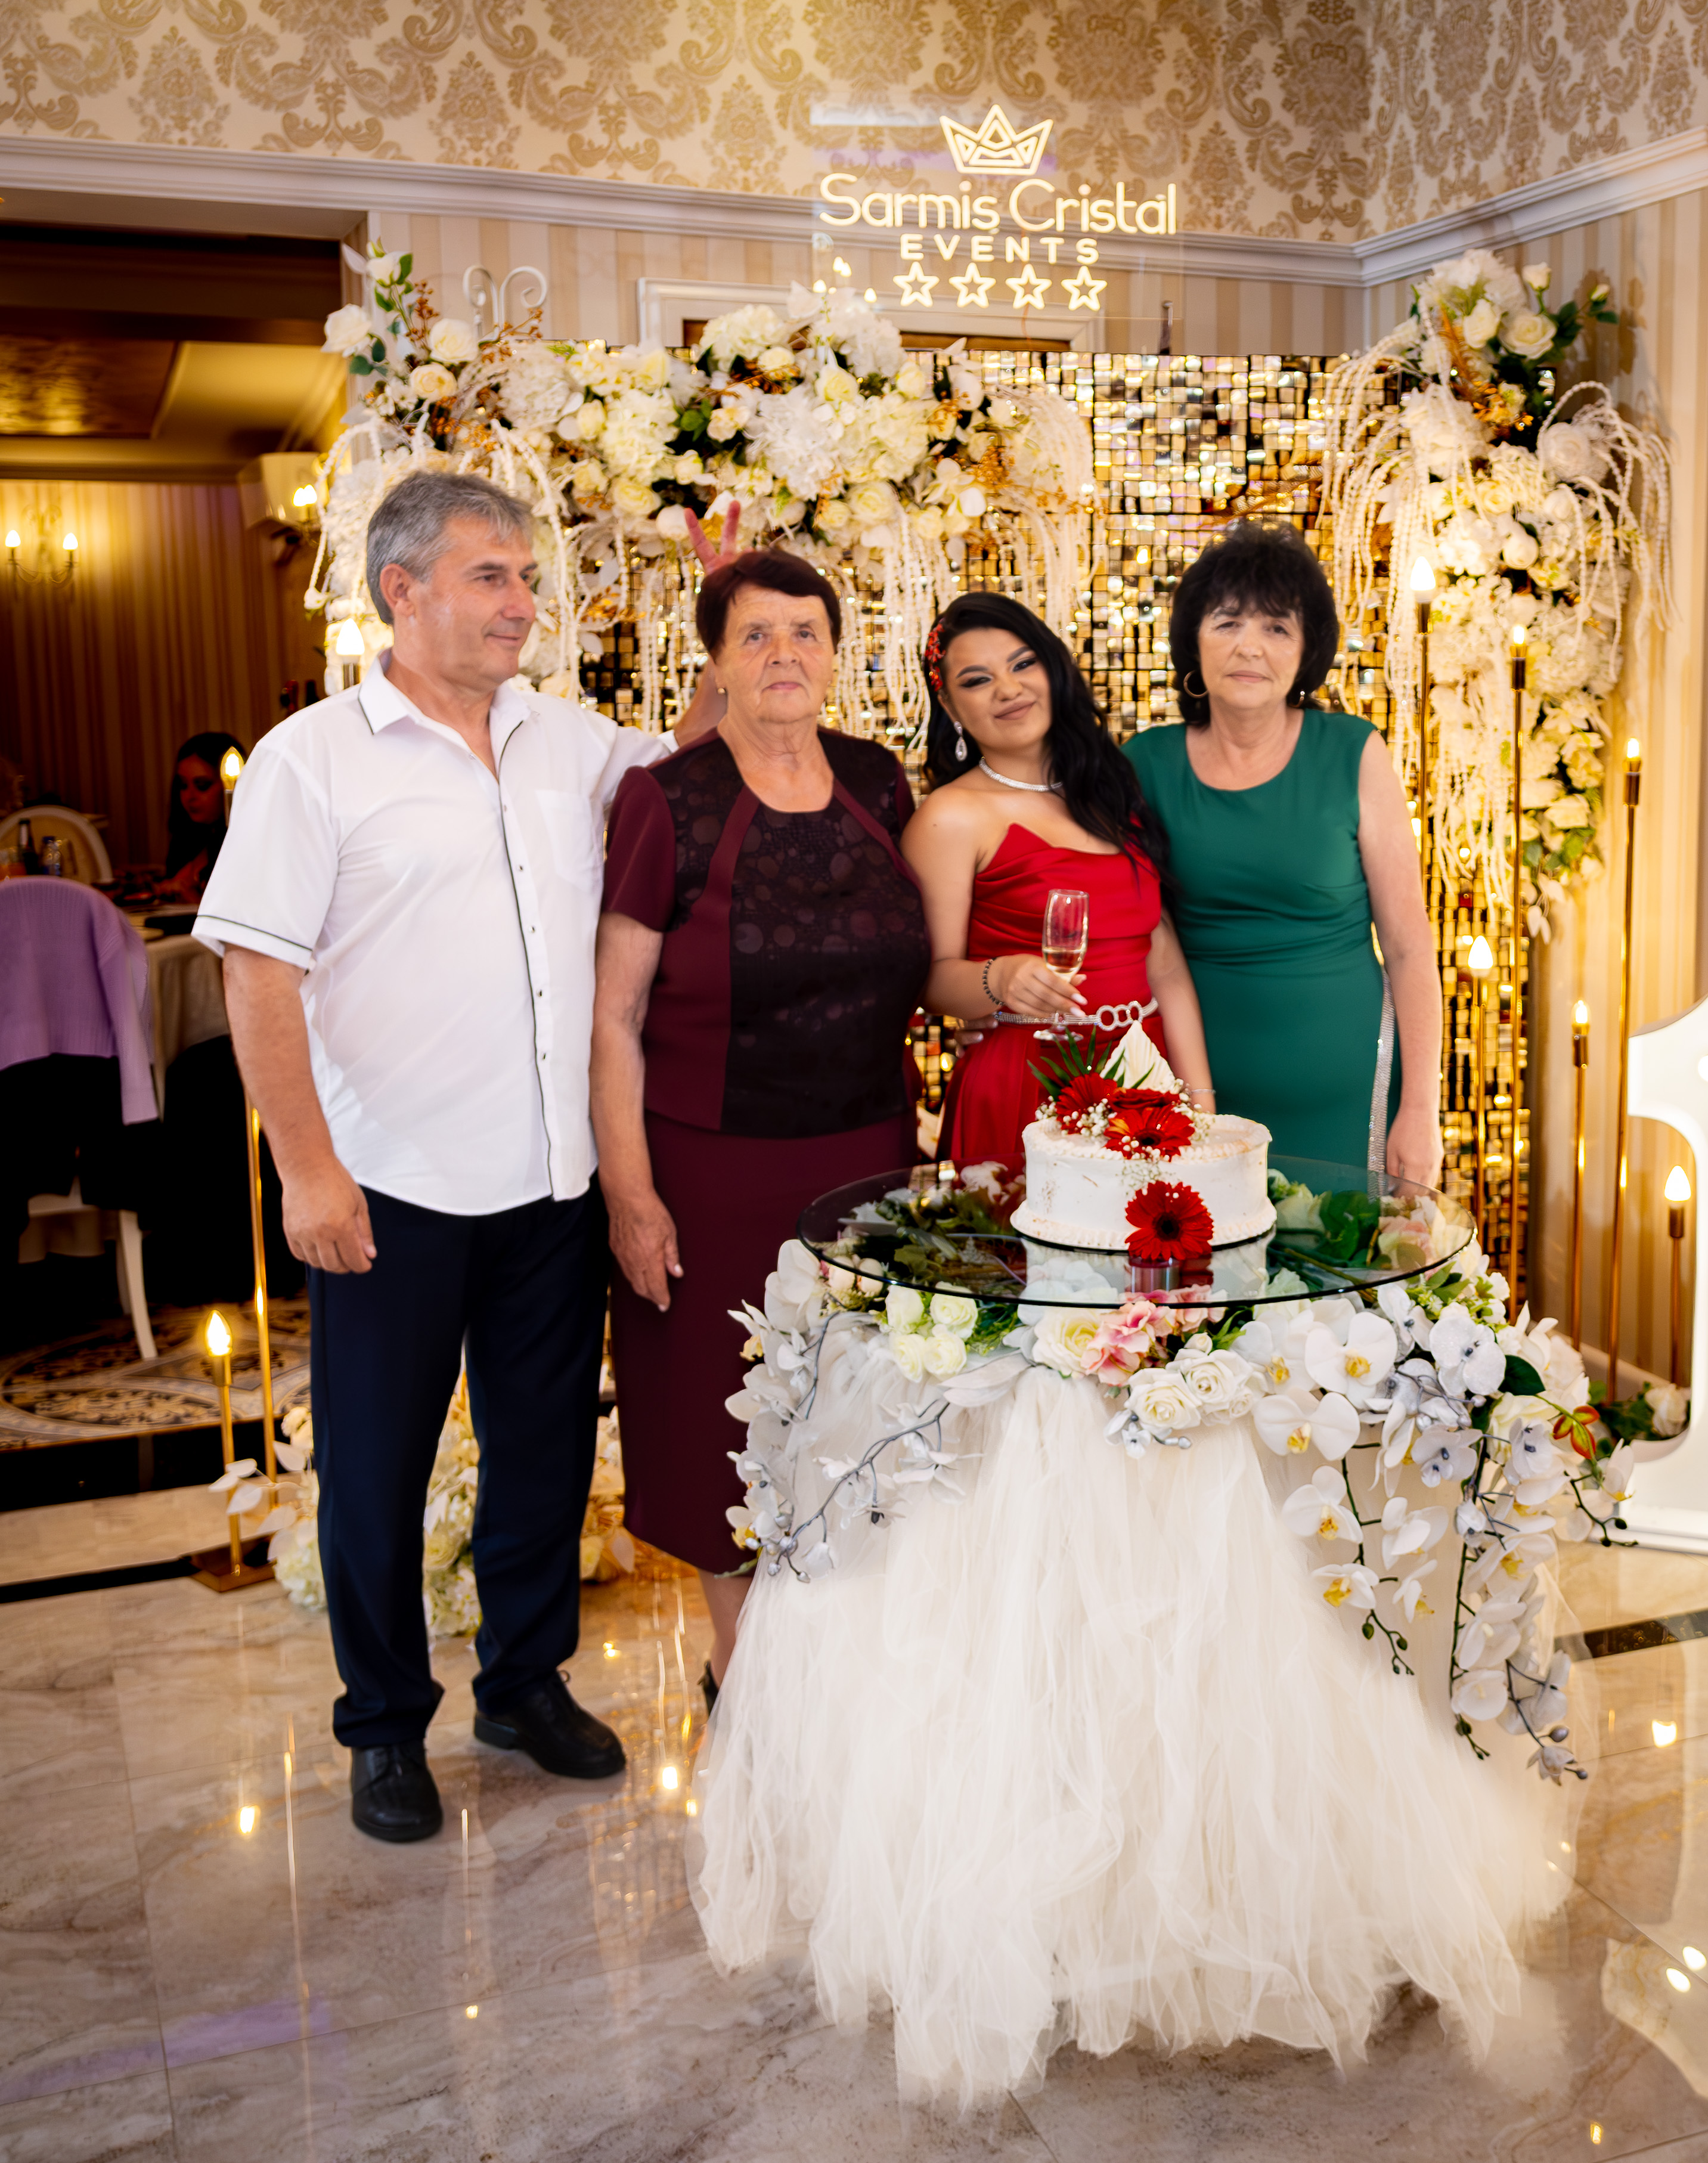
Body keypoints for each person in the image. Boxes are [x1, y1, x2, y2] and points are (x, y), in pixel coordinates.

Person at [195, 469, 674, 1845]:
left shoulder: (571, 741)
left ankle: (524, 1685)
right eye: (490, 575)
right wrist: (308, 1169)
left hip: (552, 1178)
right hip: (388, 1183)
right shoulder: (311, 758)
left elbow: (699, 767)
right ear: (400, 590)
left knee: (542, 1453)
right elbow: (257, 975)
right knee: (375, 1468)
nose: (523, 602)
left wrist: (742, 623)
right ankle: (384, 1724)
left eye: (526, 576)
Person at [593, 546, 931, 1707]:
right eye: (755, 634)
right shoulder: (666, 799)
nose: (783, 653)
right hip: (708, 1171)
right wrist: (630, 1193)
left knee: (858, 1415)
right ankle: (744, 1681)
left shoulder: (879, 781)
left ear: (835, 657)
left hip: (869, 1161)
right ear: (718, 663)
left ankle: (839, 1671)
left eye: (805, 632)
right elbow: (613, 1015)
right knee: (717, 1429)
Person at [1124, 519, 1442, 1179]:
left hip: (1348, 1083)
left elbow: (1410, 945)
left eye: (1276, 627)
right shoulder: (1144, 763)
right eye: (1227, 622)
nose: (1250, 646)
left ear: (1306, 651)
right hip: (1194, 1091)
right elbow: (1126, 929)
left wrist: (1422, 1108)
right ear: (1193, 641)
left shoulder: (1354, 751)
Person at [903, 592, 1212, 1176]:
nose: (1008, 689)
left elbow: (1165, 964)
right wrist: (999, 978)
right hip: (1026, 1081)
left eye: (1023, 664)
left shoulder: (1110, 790)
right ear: (948, 704)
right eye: (977, 680)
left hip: (1143, 1076)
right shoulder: (949, 817)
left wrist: (1200, 1106)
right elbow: (927, 978)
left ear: (1053, 669)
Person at [163, 733, 246, 900]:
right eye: (183, 785)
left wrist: (193, 900)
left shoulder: (244, 840)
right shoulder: (187, 839)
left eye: (202, 785)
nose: (190, 796)